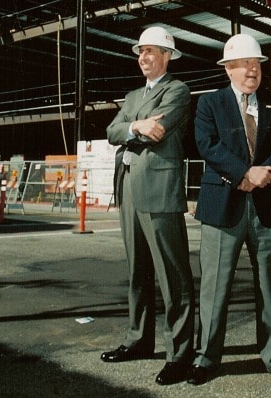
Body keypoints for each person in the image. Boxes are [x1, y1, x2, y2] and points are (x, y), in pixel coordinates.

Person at [187, 33, 271, 388]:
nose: (251, 70)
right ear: (228, 69)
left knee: (269, 285)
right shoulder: (210, 104)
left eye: (256, 64)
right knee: (214, 287)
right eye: (243, 64)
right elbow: (206, 144)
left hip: (267, 208)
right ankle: (206, 358)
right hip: (223, 207)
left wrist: (262, 173)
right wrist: (243, 173)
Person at [100, 27, 195, 386]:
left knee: (173, 276)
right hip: (128, 190)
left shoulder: (178, 91)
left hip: (159, 190)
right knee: (137, 272)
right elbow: (112, 131)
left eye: (151, 51)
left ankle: (180, 355)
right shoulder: (132, 94)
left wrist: (131, 126)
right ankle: (139, 340)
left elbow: (160, 130)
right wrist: (135, 124)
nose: (143, 57)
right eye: (141, 52)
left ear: (168, 56)